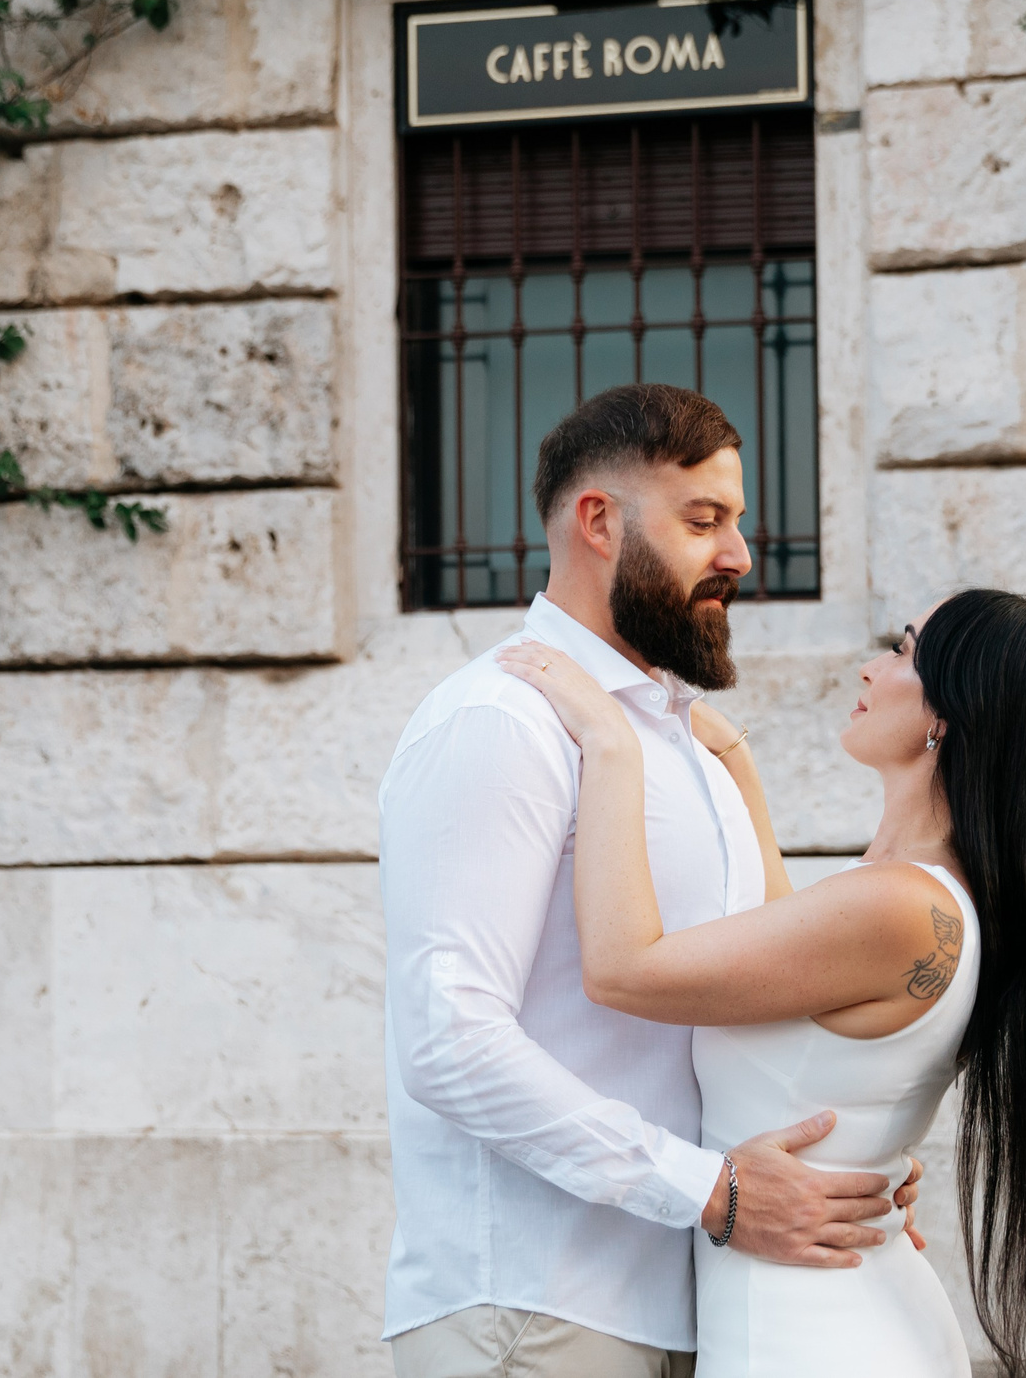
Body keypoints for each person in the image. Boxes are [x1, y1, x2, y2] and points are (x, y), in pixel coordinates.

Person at [380, 384, 921, 1378]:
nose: (738, 557)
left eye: (738, 522)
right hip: (535, 1314)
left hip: (696, 1304)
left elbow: (757, 1008)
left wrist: (855, 1156)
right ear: (599, 522)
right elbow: (447, 1040)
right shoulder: (502, 721)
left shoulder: (681, 746)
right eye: (702, 521)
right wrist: (706, 1191)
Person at [498, 586, 1026, 1378]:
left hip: (806, 1331)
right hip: (841, 1310)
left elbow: (622, 969)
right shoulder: (924, 897)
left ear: (947, 716)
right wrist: (737, 764)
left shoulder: (898, 906)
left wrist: (609, 742)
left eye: (901, 650)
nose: (870, 667)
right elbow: (784, 957)